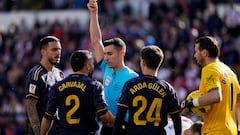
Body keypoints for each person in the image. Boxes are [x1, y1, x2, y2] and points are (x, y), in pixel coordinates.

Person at [87, 0, 139, 134]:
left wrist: (115, 120)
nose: (106, 57)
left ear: (122, 53)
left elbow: (136, 111)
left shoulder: (132, 78)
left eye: (110, 54)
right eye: (105, 54)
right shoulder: (107, 68)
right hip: (107, 127)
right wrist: (94, 13)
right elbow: (96, 41)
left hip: (124, 128)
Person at [40, 50, 115, 135]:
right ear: (87, 66)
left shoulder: (56, 87)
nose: (93, 66)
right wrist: (119, 121)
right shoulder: (95, 86)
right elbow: (104, 116)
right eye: (92, 63)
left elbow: (47, 118)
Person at [112, 45, 182, 135]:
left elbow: (119, 117)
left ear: (143, 62)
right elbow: (177, 118)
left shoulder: (130, 85)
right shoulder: (167, 88)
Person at [181, 36, 240, 135]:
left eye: (196, 51)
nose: (194, 55)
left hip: (214, 130)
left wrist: (191, 103)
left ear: (204, 53)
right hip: (231, 130)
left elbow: (216, 96)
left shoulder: (209, 69)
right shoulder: (230, 72)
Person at [25, 36, 64, 135]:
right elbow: (30, 106)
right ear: (43, 52)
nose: (58, 53)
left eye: (59, 49)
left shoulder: (60, 74)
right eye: (54, 49)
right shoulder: (36, 74)